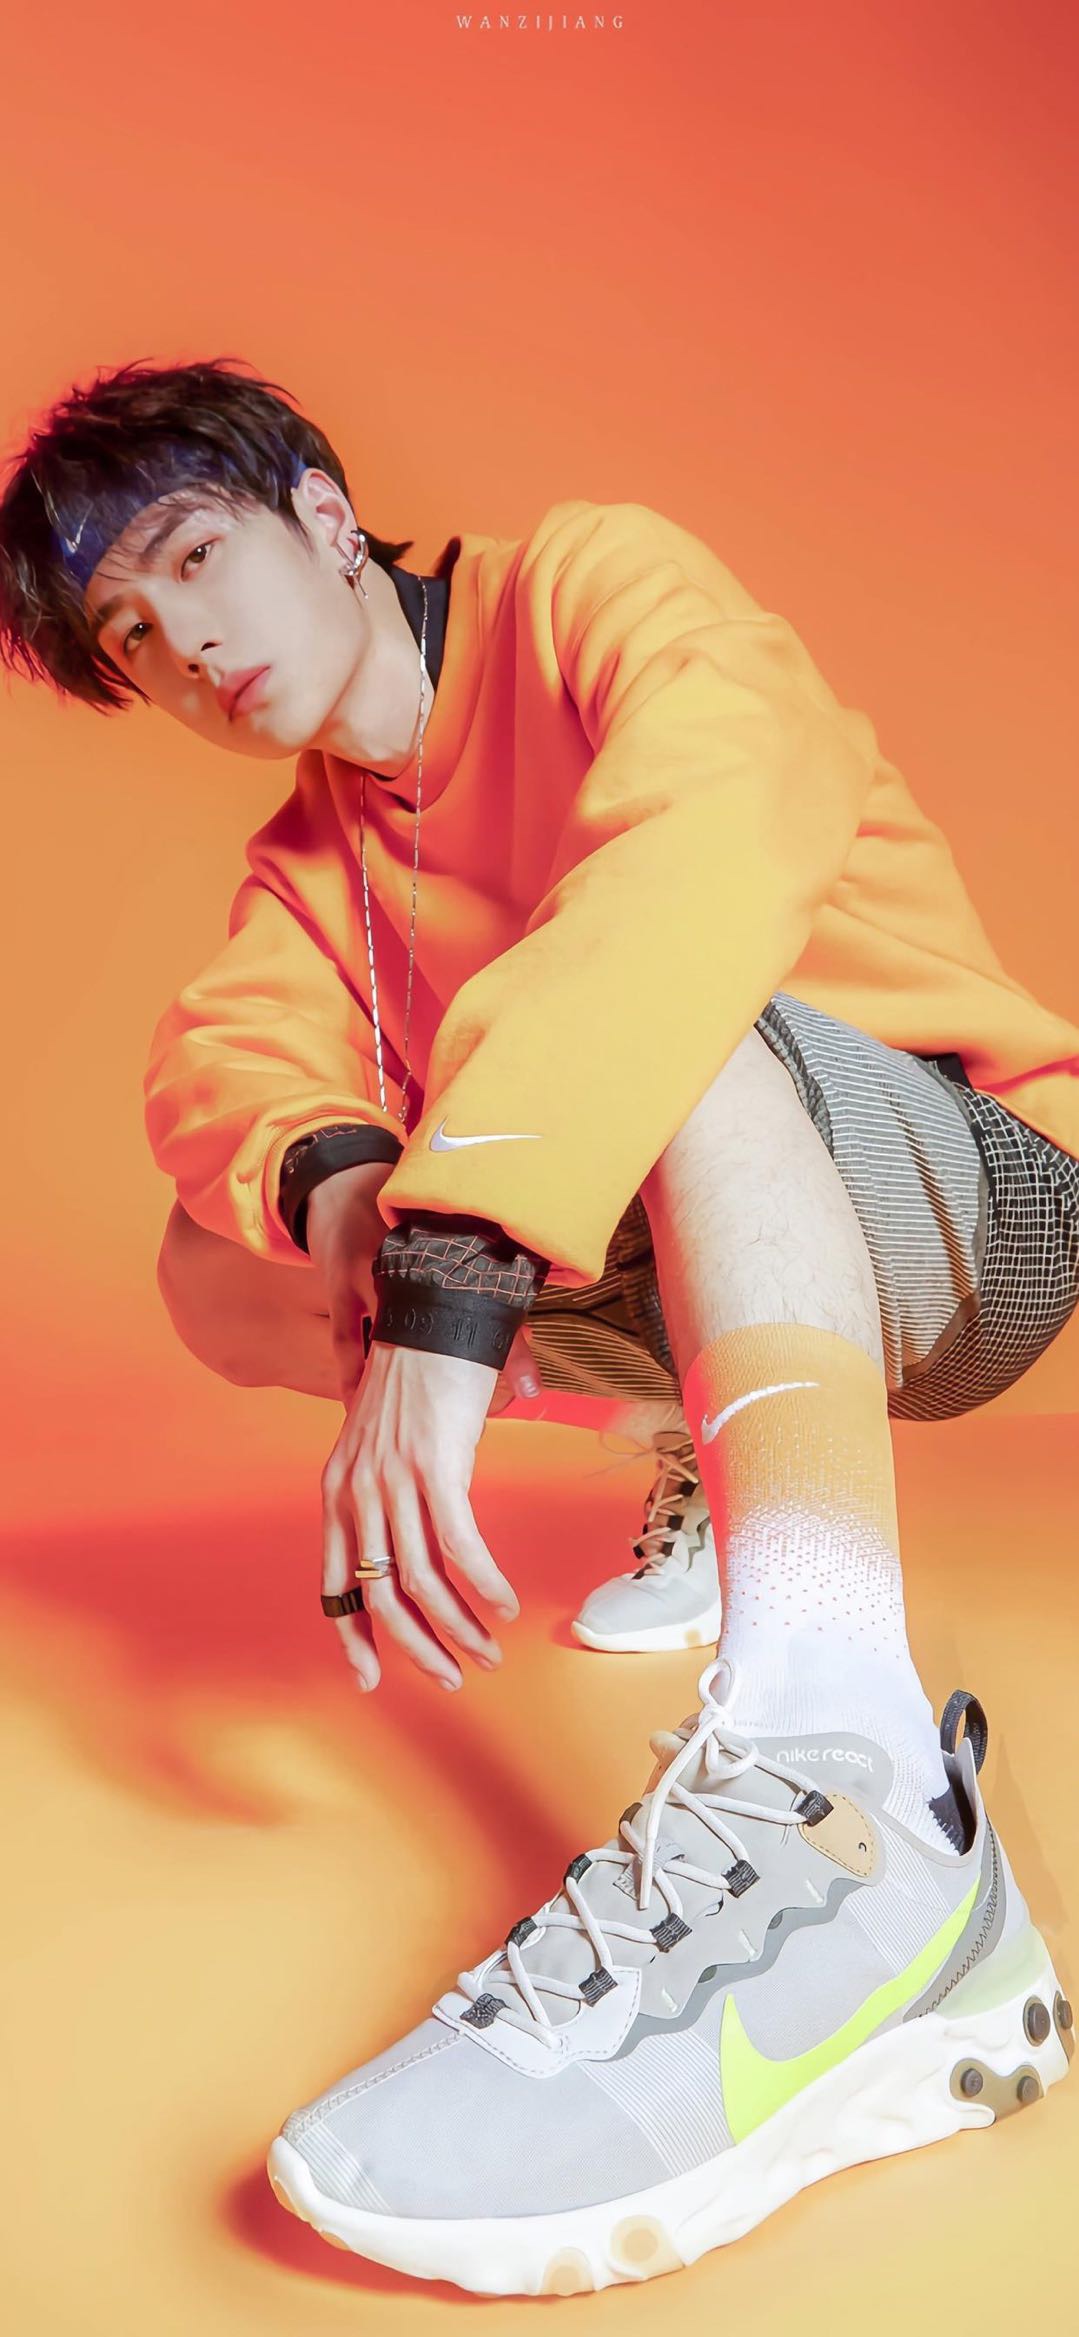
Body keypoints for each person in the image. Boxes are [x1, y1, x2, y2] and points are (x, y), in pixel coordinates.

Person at [1, 354, 1075, 2298]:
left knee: (668, 1009)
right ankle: (717, 1446)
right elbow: (228, 1056)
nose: (184, 648)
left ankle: (853, 1788)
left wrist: (455, 1276)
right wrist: (355, 1199)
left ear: (326, 515)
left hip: (975, 1195)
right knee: (220, 1254)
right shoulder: (313, 863)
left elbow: (713, 839)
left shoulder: (589, 588)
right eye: (132, 636)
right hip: (689, 1220)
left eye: (194, 559)